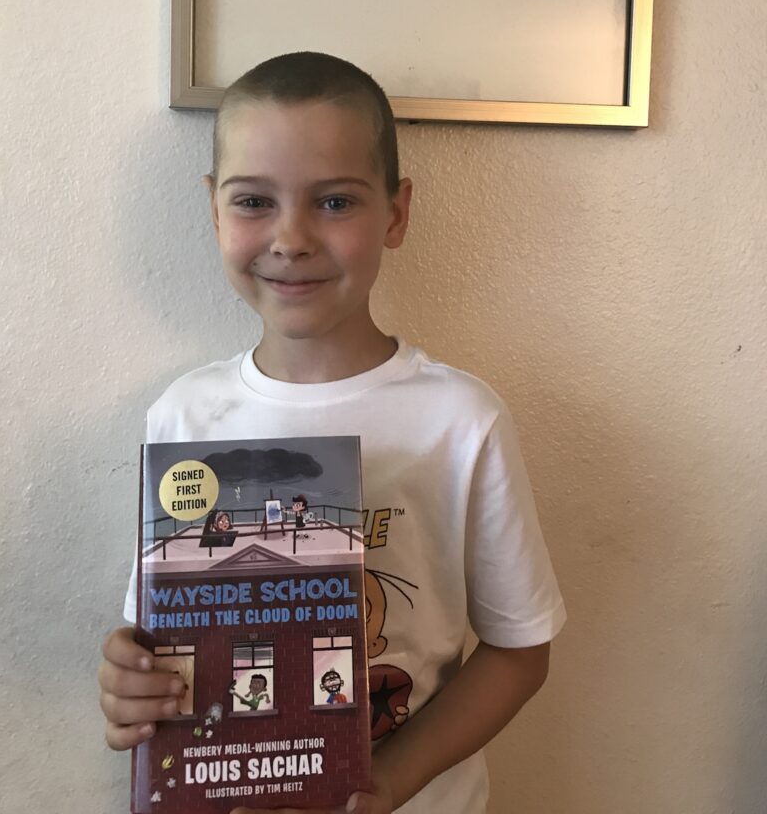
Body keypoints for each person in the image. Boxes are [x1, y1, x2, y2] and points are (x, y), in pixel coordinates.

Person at [97, 51, 566, 814]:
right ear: (214, 210)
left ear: (396, 212)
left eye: (335, 203)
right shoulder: (184, 416)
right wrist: (127, 678)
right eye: (253, 201)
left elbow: (520, 652)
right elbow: (159, 640)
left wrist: (382, 785)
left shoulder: (461, 420)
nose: (291, 238)